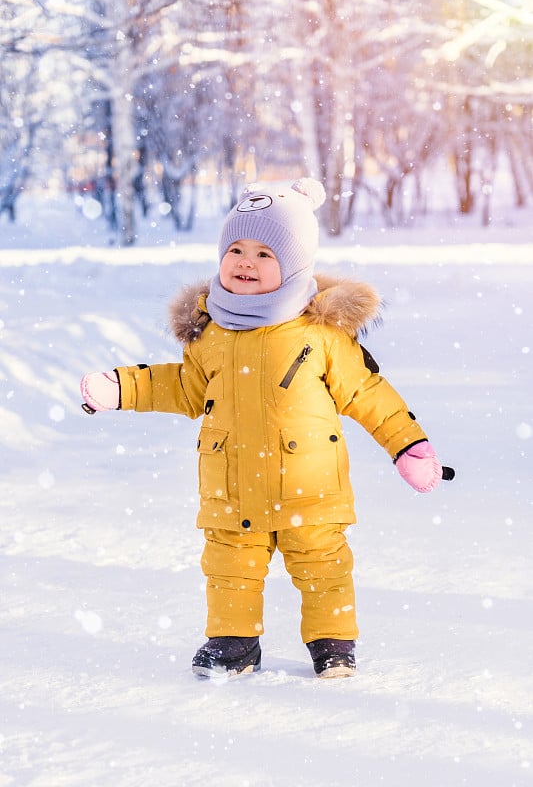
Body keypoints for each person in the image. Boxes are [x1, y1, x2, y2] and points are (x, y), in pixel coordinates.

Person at [80, 178, 452, 680]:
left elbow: (368, 395)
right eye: (235, 249)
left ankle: (332, 644)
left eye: (263, 252)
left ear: (294, 266)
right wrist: (122, 388)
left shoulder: (319, 333)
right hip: (231, 490)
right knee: (229, 570)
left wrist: (409, 446)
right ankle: (233, 645)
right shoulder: (210, 332)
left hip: (311, 489)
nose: (245, 262)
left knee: (323, 568)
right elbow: (183, 387)